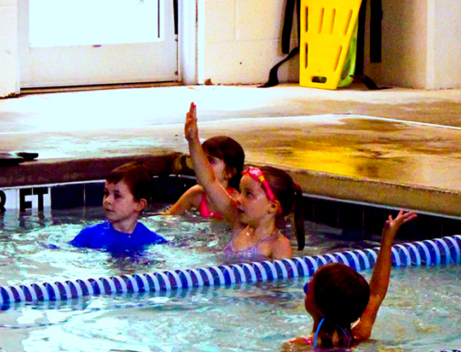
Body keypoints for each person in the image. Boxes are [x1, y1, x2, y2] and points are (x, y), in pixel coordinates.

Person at [281, 209, 417, 352]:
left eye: (308, 287)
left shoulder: (297, 347)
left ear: (316, 302)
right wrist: (387, 240)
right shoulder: (358, 336)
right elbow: (376, 294)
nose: (306, 288)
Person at [183, 102, 304, 261]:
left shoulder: (279, 246)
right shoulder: (237, 222)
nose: (238, 198)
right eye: (242, 191)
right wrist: (193, 141)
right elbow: (209, 182)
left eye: (249, 194)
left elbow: (280, 285)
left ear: (272, 206)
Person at [70, 162, 166, 255]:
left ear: (139, 205)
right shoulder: (90, 235)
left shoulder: (152, 240)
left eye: (117, 195)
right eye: (106, 193)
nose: (108, 200)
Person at [164, 134, 244, 218]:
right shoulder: (196, 194)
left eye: (210, 161)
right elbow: (168, 217)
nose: (202, 165)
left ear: (229, 172)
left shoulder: (235, 203)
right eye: (201, 160)